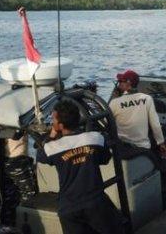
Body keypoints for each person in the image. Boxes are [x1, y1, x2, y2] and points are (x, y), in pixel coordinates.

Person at [36, 99, 124, 234]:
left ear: (60, 125)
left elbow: (41, 156)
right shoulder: (96, 138)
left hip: (69, 207)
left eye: (53, 119)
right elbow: (105, 159)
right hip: (95, 203)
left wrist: (52, 135)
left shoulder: (52, 148)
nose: (52, 122)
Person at [108, 70, 166, 159]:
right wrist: (161, 143)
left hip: (122, 148)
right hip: (143, 148)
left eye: (121, 81)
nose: (118, 84)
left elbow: (106, 124)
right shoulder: (147, 99)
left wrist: (115, 97)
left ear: (128, 83)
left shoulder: (114, 103)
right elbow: (155, 125)